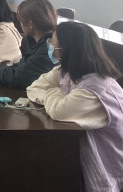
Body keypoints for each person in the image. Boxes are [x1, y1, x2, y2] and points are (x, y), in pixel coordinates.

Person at [27, 21, 123, 192]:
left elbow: (58, 111)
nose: (51, 47)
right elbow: (34, 88)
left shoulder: (96, 89)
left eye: (53, 44)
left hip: (111, 161)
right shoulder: (66, 72)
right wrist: (57, 96)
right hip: (90, 153)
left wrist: (54, 93)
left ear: (68, 49)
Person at [0, 0, 57, 88]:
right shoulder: (40, 42)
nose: (20, 25)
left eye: (20, 21)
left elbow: (15, 77)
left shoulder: (49, 48)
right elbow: (18, 68)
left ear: (30, 24)